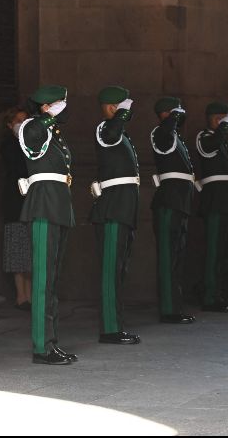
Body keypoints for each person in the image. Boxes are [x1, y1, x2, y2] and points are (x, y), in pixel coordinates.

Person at [19, 85, 77, 365]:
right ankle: (42, 346)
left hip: (58, 206)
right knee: (42, 280)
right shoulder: (32, 126)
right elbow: (33, 138)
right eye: (57, 104)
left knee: (52, 280)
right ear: (45, 107)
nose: (63, 108)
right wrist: (47, 117)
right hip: (43, 206)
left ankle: (51, 342)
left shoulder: (54, 133)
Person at [89, 86, 141, 344]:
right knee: (111, 271)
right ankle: (110, 328)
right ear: (112, 107)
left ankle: (116, 324)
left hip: (124, 209)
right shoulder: (104, 128)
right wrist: (119, 116)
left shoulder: (122, 134)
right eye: (122, 106)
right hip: (112, 209)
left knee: (119, 269)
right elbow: (110, 133)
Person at [150, 96, 196, 325]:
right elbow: (165, 135)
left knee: (177, 257)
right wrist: (171, 118)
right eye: (176, 112)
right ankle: (169, 309)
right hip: (169, 201)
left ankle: (175, 305)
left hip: (180, 201)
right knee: (168, 257)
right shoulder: (160, 133)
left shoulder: (176, 136)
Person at [195, 101, 228, 312]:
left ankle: (215, 291)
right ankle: (210, 296)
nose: (221, 122)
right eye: (217, 118)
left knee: (220, 250)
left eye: (224, 118)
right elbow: (208, 148)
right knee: (213, 250)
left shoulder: (220, 140)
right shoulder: (204, 137)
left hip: (225, 199)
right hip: (214, 200)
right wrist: (223, 126)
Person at [0, 107, 32, 311]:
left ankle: (30, 295)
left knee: (30, 250)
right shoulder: (8, 144)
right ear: (9, 125)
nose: (22, 123)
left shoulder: (32, 143)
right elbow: (15, 166)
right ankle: (21, 296)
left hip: (31, 202)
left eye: (25, 120)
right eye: (18, 121)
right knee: (17, 249)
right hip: (15, 203)